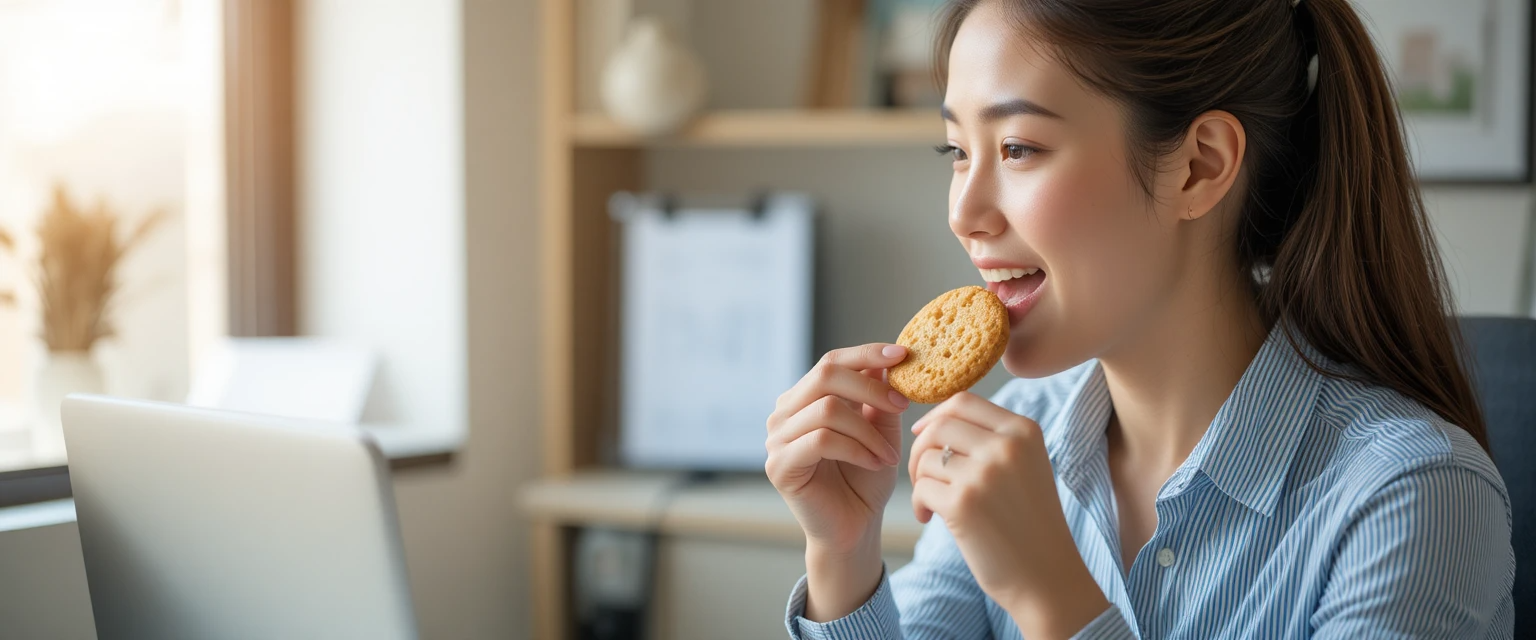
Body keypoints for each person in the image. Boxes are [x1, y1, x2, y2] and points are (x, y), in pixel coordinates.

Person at [763, 0, 1515, 637]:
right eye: (957, 150)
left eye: (1019, 147)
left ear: (1199, 166)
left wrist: (1052, 598)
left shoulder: (1413, 495)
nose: (963, 213)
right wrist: (844, 555)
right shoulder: (1021, 434)